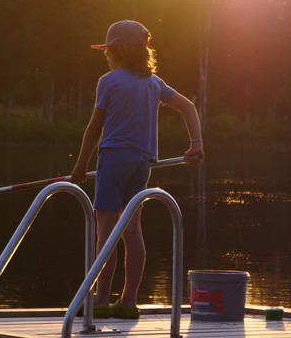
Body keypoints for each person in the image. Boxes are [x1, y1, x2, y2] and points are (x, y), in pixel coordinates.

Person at [70, 20, 204, 319]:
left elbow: (95, 129)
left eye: (109, 50)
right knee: (132, 231)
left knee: (106, 231)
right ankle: (128, 302)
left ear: (118, 51)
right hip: (142, 164)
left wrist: (79, 167)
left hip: (114, 159)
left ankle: (101, 301)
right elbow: (189, 107)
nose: (106, 56)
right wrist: (196, 144)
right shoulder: (155, 83)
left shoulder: (109, 81)